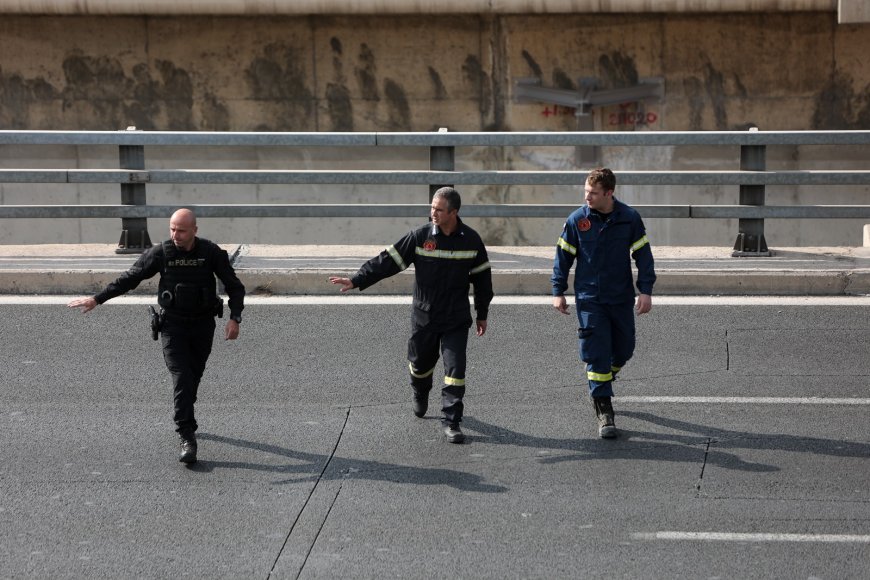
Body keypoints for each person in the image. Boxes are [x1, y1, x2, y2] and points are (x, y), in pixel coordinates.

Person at [68, 208, 245, 463]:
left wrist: (234, 318)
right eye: (172, 229)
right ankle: (186, 435)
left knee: (193, 377)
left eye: (181, 230)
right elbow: (131, 277)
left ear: (194, 230)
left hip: (203, 325)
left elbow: (235, 287)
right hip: (173, 326)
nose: (175, 235)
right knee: (182, 377)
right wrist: (97, 299)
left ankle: (186, 410)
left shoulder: (211, 253)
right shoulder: (161, 252)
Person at [330, 187, 493, 444]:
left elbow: (483, 280)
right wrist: (357, 279)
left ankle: (452, 422)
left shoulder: (471, 240)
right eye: (432, 208)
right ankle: (420, 390)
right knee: (419, 366)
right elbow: (388, 261)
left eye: (439, 209)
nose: (433, 213)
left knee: (456, 369)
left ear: (454, 212)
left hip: (456, 318)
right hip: (425, 318)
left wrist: (482, 312)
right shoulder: (420, 237)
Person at [551, 168, 655, 438]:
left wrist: (645, 290)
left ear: (609, 193)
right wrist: (558, 291)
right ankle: (604, 410)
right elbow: (562, 257)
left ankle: (604, 378)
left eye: (593, 193)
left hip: (620, 298)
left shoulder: (629, 218)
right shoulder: (577, 220)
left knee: (625, 349)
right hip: (590, 299)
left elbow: (643, 256)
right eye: (586, 191)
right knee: (597, 353)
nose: (587, 197)